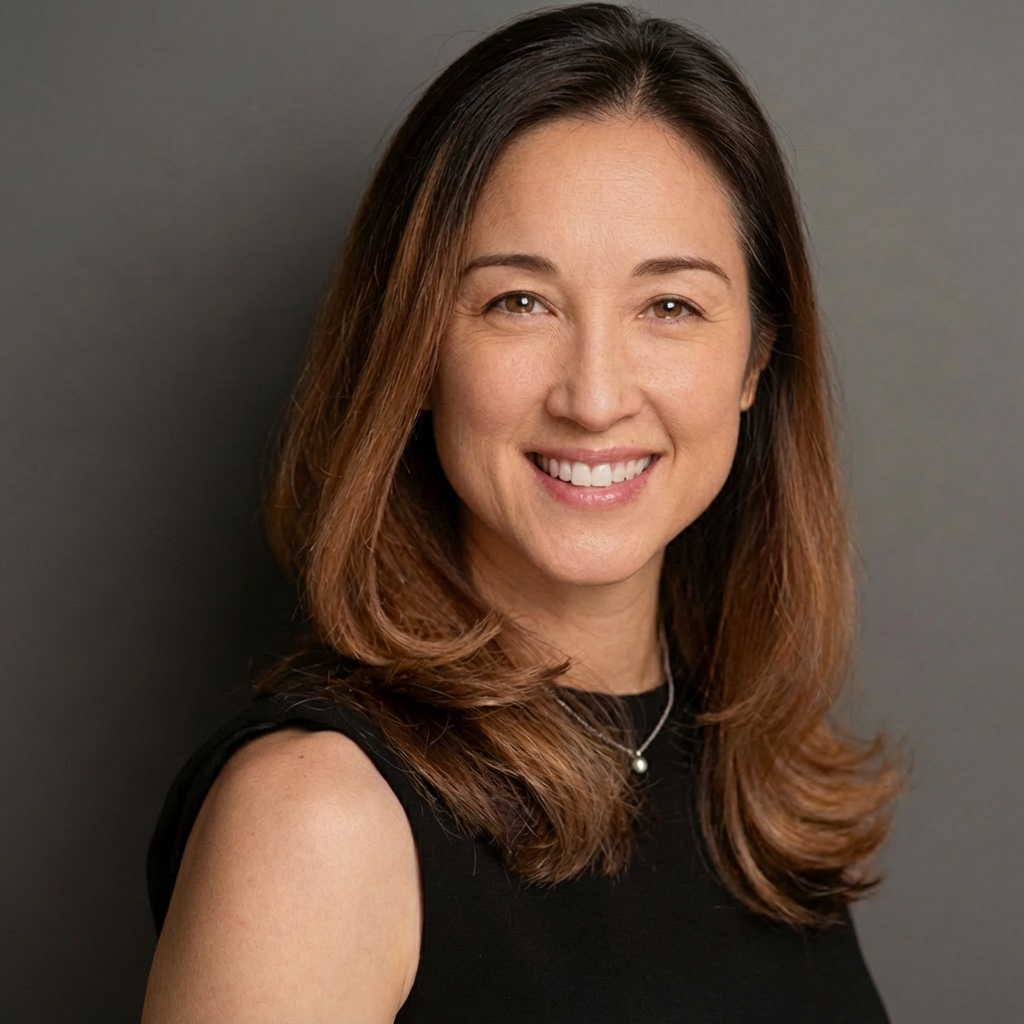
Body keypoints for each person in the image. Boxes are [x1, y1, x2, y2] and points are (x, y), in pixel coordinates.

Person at [142, 5, 899, 1021]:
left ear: (756, 360)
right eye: (518, 302)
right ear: (416, 349)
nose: (593, 395)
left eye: (668, 306)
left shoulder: (750, 792)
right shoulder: (316, 816)